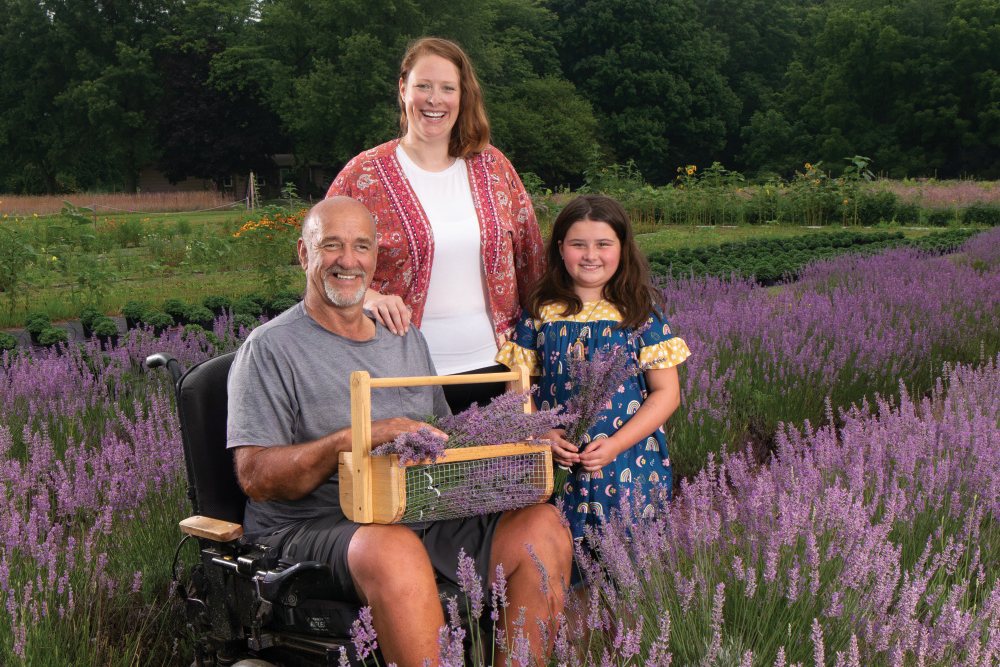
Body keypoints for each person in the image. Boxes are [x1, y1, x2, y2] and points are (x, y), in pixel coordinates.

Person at [226, 197, 572, 667]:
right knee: (393, 548)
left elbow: (443, 436)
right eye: (331, 245)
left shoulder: (403, 337)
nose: (348, 260)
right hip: (313, 527)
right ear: (304, 255)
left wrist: (519, 436)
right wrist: (352, 439)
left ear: (374, 260)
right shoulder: (270, 349)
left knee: (543, 526)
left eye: (361, 247)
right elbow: (255, 476)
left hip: (417, 514)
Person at [326, 37, 545, 412]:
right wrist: (372, 298)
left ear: (463, 96)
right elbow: (323, 268)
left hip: (500, 373)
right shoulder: (362, 176)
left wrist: (537, 357)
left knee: (503, 472)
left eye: (447, 88)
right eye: (423, 86)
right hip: (401, 377)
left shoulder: (494, 167)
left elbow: (532, 262)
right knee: (413, 474)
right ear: (403, 89)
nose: (434, 99)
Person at [495, 195, 691, 543]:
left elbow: (667, 392)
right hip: (556, 461)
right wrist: (541, 432)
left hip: (629, 460)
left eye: (603, 244)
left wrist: (615, 444)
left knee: (629, 556)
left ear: (622, 248)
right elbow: (518, 390)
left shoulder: (639, 312)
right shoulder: (542, 311)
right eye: (577, 244)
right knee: (554, 553)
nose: (590, 255)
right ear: (560, 248)